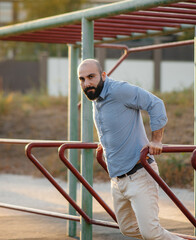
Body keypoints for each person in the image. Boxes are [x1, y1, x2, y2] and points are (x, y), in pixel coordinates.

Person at [78, 59, 182, 240]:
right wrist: (106, 143)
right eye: (82, 79)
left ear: (103, 75)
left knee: (151, 233)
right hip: (118, 180)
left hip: (140, 173)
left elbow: (155, 103)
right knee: (127, 229)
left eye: (91, 77)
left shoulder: (119, 90)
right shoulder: (96, 98)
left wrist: (156, 140)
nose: (87, 83)